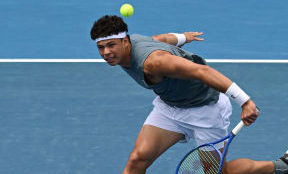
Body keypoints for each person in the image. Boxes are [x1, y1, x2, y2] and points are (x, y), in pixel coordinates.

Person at [90, 15, 288, 174]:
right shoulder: (133, 44)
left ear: (125, 41)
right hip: (169, 108)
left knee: (219, 172)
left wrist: (245, 101)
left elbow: (202, 72)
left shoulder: (154, 63)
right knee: (137, 160)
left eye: (111, 45)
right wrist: (183, 37)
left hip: (206, 111)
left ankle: (281, 166)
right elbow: (159, 39)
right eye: (101, 47)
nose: (106, 52)